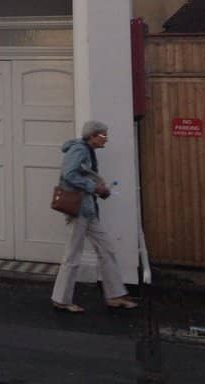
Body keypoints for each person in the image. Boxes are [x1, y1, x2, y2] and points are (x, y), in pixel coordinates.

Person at [50, 120, 138, 313]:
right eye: (103, 135)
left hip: (88, 210)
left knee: (107, 250)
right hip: (79, 210)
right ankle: (61, 299)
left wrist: (99, 189)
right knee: (73, 254)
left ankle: (115, 296)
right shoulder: (79, 150)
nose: (106, 139)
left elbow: (81, 176)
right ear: (92, 136)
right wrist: (94, 187)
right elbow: (69, 174)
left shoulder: (87, 151)